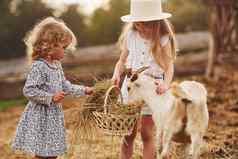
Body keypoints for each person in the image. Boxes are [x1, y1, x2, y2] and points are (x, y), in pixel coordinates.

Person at [12, 17, 93, 159]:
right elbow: (29, 90)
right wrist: (50, 97)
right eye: (64, 47)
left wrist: (84, 90)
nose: (66, 51)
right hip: (41, 116)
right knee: (42, 154)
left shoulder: (56, 65)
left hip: (54, 116)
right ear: (49, 46)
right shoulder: (40, 66)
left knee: (53, 153)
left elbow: (65, 86)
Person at [111, 0, 177, 158]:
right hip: (131, 89)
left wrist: (166, 85)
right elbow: (121, 61)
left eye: (145, 24)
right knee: (128, 134)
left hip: (151, 90)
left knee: (147, 133)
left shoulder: (163, 38)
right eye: (138, 24)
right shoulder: (131, 36)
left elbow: (169, 66)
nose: (141, 28)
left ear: (156, 23)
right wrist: (116, 73)